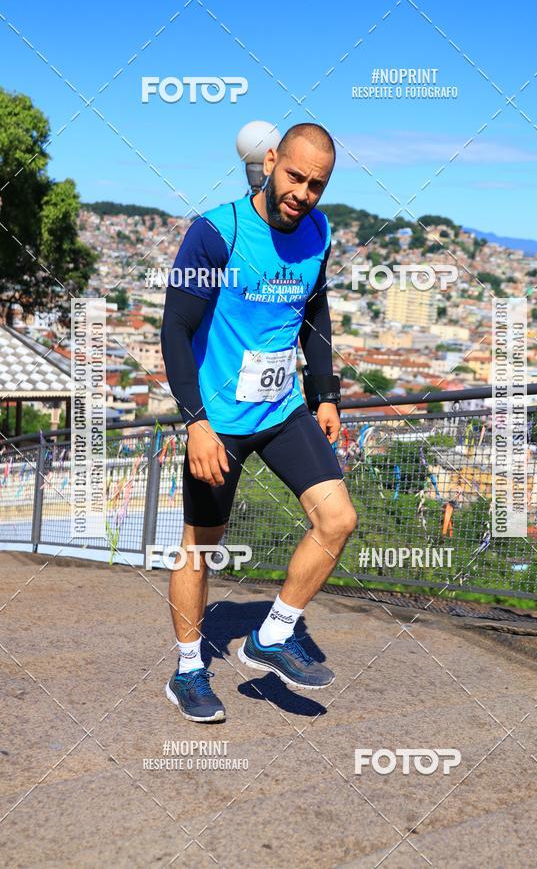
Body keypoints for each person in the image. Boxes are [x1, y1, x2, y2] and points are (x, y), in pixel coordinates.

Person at [160, 123, 357, 722]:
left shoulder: (318, 231)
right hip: (217, 421)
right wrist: (194, 422)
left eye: (316, 185)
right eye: (295, 176)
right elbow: (175, 330)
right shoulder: (217, 234)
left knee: (338, 518)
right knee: (202, 548)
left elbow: (315, 312)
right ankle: (189, 670)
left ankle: (272, 634)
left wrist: (324, 394)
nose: (303, 193)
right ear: (271, 161)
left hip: (281, 409)